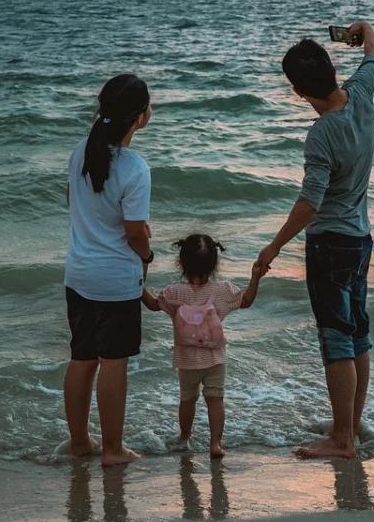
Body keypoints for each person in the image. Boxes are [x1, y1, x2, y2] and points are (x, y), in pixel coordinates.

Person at [254, 21, 374, 459]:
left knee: (337, 340)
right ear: (331, 67)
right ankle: (350, 425)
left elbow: (311, 201)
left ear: (297, 91)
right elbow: (373, 52)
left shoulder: (321, 134)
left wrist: (273, 247)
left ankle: (341, 439)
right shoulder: (361, 93)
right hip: (361, 239)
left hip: (329, 242)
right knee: (358, 335)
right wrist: (359, 29)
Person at [63, 73, 154, 467]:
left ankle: (80, 442)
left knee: (82, 359)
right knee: (114, 363)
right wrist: (148, 256)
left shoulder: (80, 151)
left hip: (78, 273)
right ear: (139, 117)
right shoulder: (134, 167)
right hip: (115, 280)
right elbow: (135, 232)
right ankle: (113, 450)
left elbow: (73, 201)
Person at [142, 234, 262, 458]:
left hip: (186, 361)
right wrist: (255, 277)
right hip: (215, 359)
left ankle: (184, 437)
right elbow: (246, 301)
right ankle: (215, 444)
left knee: (187, 399)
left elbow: (151, 304)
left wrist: (139, 277)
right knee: (215, 399)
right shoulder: (222, 291)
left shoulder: (174, 292)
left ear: (181, 262)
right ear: (215, 264)